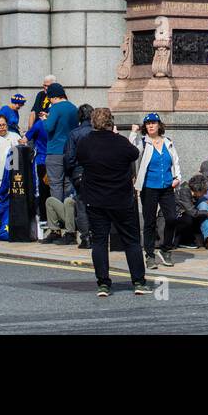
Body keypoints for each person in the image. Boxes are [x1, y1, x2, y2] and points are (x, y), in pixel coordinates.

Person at [74, 107, 149, 297]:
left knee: (99, 242)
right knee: (131, 241)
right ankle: (138, 281)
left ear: (93, 122)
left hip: (95, 200)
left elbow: (79, 159)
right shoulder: (121, 142)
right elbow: (134, 154)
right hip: (121, 200)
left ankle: (103, 284)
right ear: (111, 122)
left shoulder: (85, 143)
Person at [133, 112, 182, 268]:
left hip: (167, 187)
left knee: (172, 218)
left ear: (159, 125)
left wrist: (177, 178)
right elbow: (131, 150)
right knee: (149, 222)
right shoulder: (143, 142)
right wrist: (133, 133)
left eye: (153, 123)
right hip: (149, 188)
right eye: (147, 124)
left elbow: (175, 161)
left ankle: (166, 249)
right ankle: (149, 254)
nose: (150, 126)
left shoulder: (168, 142)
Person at [61, 103, 94, 248]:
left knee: (81, 205)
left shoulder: (74, 133)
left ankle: (86, 237)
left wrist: (70, 173)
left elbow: (69, 158)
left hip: (79, 174)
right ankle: (96, 235)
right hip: (96, 173)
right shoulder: (96, 132)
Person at [42, 83, 79, 209]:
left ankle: (57, 218)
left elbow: (49, 127)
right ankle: (69, 217)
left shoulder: (55, 108)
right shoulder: (74, 107)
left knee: (56, 185)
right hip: (70, 151)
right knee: (68, 184)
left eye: (49, 98)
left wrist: (45, 120)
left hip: (55, 151)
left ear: (53, 96)